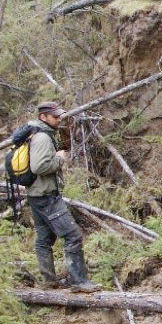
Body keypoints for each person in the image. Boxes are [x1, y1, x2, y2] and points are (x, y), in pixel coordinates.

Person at [27, 101, 100, 293]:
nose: (59, 119)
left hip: (36, 195)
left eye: (59, 116)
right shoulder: (42, 138)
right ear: (43, 117)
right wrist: (59, 159)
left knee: (44, 239)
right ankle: (78, 281)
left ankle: (49, 281)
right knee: (73, 235)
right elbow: (38, 167)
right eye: (55, 116)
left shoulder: (36, 134)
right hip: (46, 196)